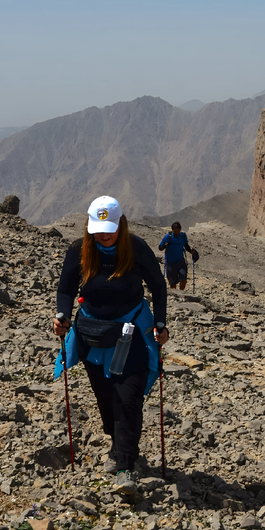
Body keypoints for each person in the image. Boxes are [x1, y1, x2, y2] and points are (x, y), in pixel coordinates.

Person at [53, 196, 169, 494]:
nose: (103, 235)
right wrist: (62, 315)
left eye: (109, 229)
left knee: (127, 398)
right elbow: (66, 289)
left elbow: (157, 285)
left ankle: (125, 466)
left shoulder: (136, 248)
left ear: (121, 224)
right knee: (106, 400)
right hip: (93, 336)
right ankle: (118, 444)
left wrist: (160, 322)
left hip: (132, 333)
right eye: (97, 229)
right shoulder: (80, 250)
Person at [158, 221, 197, 291]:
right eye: (175, 231)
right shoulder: (168, 236)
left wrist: (191, 251)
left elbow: (186, 246)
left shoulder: (183, 236)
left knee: (183, 279)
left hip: (180, 262)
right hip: (170, 264)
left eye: (178, 231)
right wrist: (164, 246)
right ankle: (175, 296)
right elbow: (160, 247)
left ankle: (181, 293)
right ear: (172, 230)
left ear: (180, 230)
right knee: (172, 283)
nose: (176, 233)